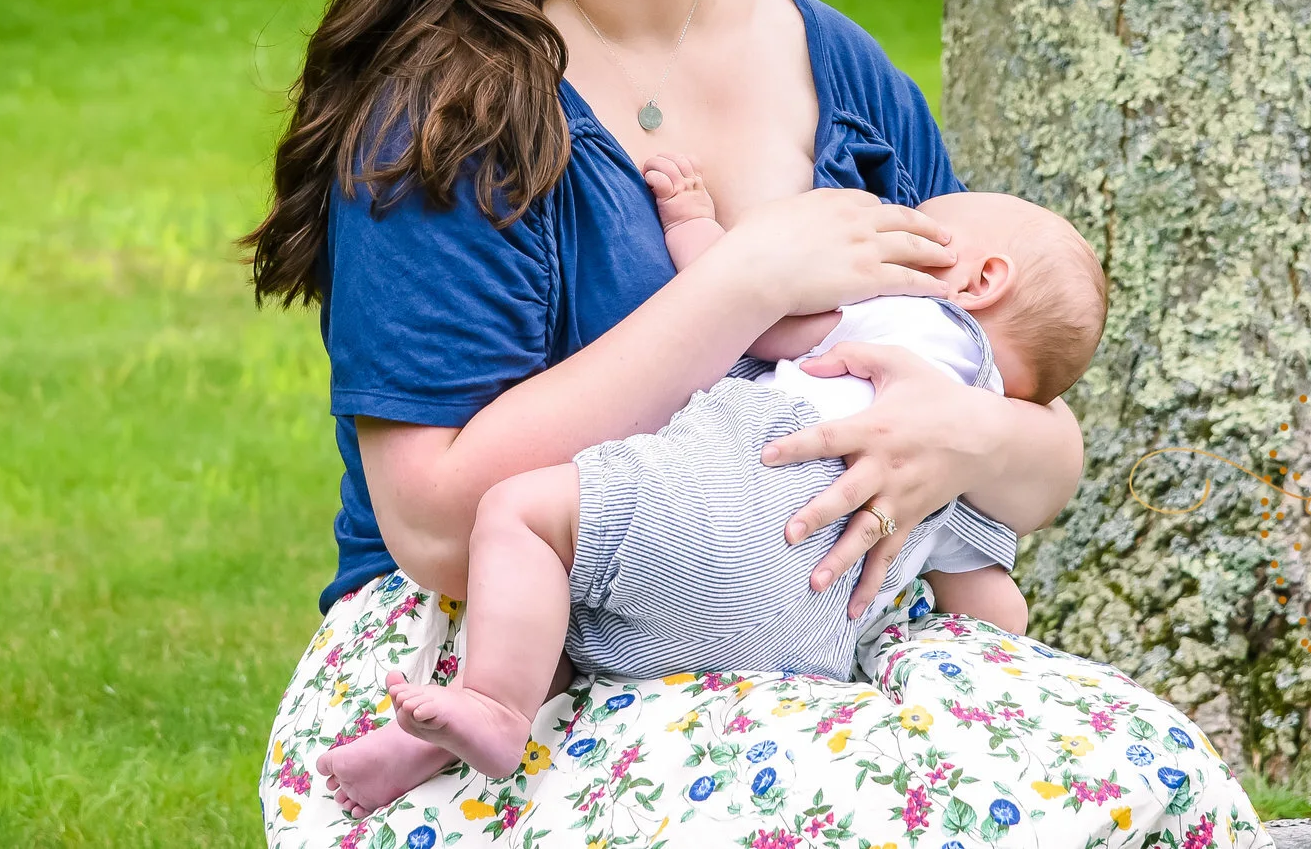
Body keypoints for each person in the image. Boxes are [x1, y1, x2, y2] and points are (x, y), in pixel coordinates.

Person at [250, 0, 1268, 848]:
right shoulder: (452, 114)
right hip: (506, 670)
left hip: (809, 641)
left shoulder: (838, 74)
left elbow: (1040, 445)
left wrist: (953, 441)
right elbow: (441, 523)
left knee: (1156, 785)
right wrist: (738, 284)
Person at [318, 163, 1109, 814]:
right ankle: (453, 727)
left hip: (709, 528)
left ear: (980, 277)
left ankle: (493, 703)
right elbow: (993, 604)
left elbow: (765, 319)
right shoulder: (959, 453)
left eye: (918, 219)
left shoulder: (914, 314)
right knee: (571, 586)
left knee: (524, 519)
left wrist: (703, 230)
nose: (896, 216)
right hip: (806, 646)